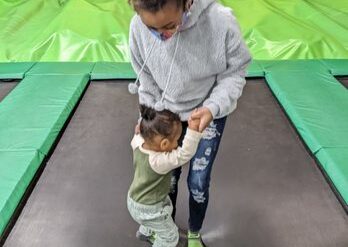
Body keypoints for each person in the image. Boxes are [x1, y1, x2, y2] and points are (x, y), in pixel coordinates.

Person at [127, 0, 251, 246]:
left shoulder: (220, 21)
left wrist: (212, 107)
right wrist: (146, 116)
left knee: (198, 181)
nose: (162, 36)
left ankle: (194, 231)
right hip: (164, 114)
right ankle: (166, 228)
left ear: (188, 2)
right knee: (167, 178)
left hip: (205, 114)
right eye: (152, 28)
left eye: (170, 26)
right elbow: (147, 79)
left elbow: (235, 72)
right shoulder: (137, 27)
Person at [127, 105, 202, 247]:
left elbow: (138, 132)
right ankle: (154, 235)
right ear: (164, 144)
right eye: (176, 141)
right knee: (170, 237)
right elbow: (184, 154)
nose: (177, 144)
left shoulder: (137, 143)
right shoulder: (159, 162)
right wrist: (193, 131)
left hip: (133, 199)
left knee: (165, 206)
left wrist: (140, 125)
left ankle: (145, 232)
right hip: (150, 209)